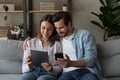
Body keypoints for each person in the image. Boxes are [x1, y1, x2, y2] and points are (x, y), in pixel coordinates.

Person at [23, 11, 103, 80]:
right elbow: (44, 37)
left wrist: (71, 63)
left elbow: (91, 59)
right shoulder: (58, 39)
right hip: (67, 74)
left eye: (61, 28)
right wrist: (28, 40)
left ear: (69, 24)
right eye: (56, 28)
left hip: (86, 71)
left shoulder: (85, 35)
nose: (58, 31)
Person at [18, 14, 63, 80]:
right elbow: (23, 69)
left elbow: (60, 67)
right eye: (43, 28)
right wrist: (29, 66)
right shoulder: (30, 43)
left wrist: (51, 68)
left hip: (49, 74)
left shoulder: (58, 45)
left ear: (53, 29)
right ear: (40, 27)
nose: (45, 32)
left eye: (49, 29)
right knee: (22, 78)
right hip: (33, 71)